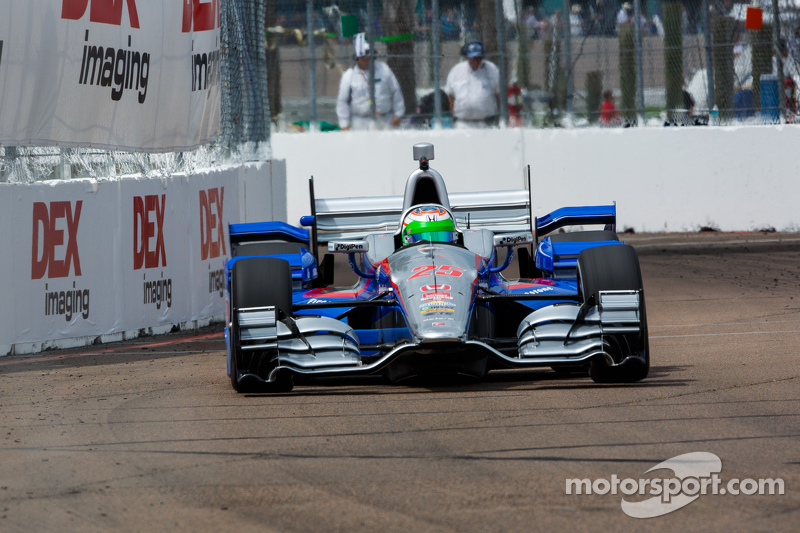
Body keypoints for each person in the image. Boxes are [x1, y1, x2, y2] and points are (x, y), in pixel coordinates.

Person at [336, 33, 404, 131]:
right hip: (360, 121)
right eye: (361, 54)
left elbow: (396, 91)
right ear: (357, 56)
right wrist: (344, 124)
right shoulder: (349, 75)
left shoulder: (384, 69)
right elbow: (342, 101)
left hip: (385, 120)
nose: (364, 57)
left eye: (367, 53)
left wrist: (398, 114)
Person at [444, 41, 501, 128]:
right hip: (462, 123)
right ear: (467, 57)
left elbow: (498, 94)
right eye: (472, 57)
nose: (475, 60)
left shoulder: (492, 70)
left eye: (478, 57)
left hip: (486, 123)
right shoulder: (457, 70)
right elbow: (451, 96)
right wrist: (454, 116)